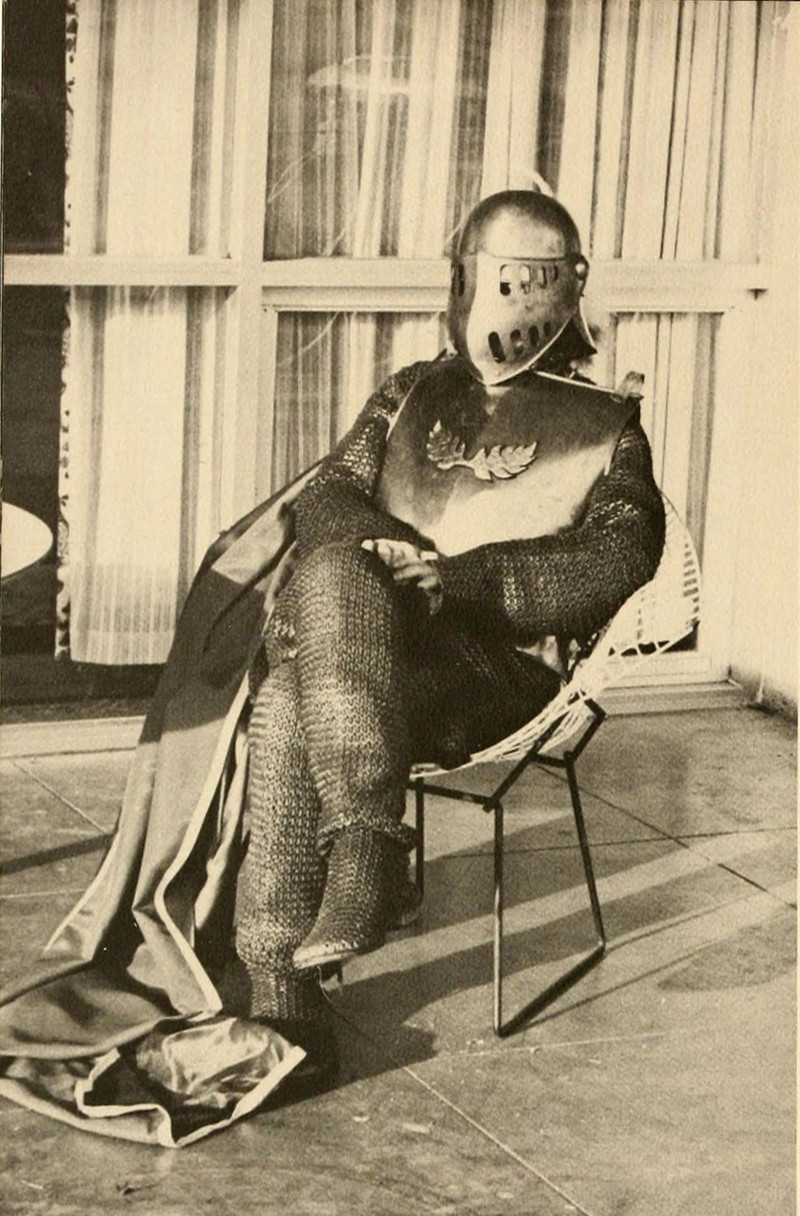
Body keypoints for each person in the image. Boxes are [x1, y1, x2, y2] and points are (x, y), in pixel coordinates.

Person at [233, 189, 666, 1078]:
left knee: (290, 696)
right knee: (317, 620)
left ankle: (311, 949)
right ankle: (344, 881)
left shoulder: (606, 427)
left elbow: (619, 556)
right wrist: (387, 553)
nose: (493, 296)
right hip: (373, 648)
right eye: (481, 274)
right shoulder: (410, 394)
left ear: (558, 284)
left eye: (516, 278)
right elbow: (330, 493)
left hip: (500, 669)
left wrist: (455, 580)